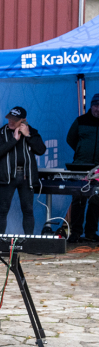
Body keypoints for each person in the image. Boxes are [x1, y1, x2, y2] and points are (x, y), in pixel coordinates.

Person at [0, 106, 45, 235]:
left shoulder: (31, 131)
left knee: (28, 209)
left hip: (26, 176)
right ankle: (1, 240)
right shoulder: (1, 132)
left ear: (23, 120)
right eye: (9, 118)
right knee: (3, 209)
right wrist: (14, 140)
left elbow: (41, 150)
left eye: (15, 120)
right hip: (7, 175)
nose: (11, 121)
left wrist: (28, 136)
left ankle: (29, 241)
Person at [66, 94, 99, 243]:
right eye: (96, 106)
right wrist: (81, 152)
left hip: (98, 169)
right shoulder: (80, 121)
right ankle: (76, 232)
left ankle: (91, 232)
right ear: (91, 106)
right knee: (78, 200)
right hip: (80, 167)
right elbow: (70, 139)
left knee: (96, 200)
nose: (98, 109)